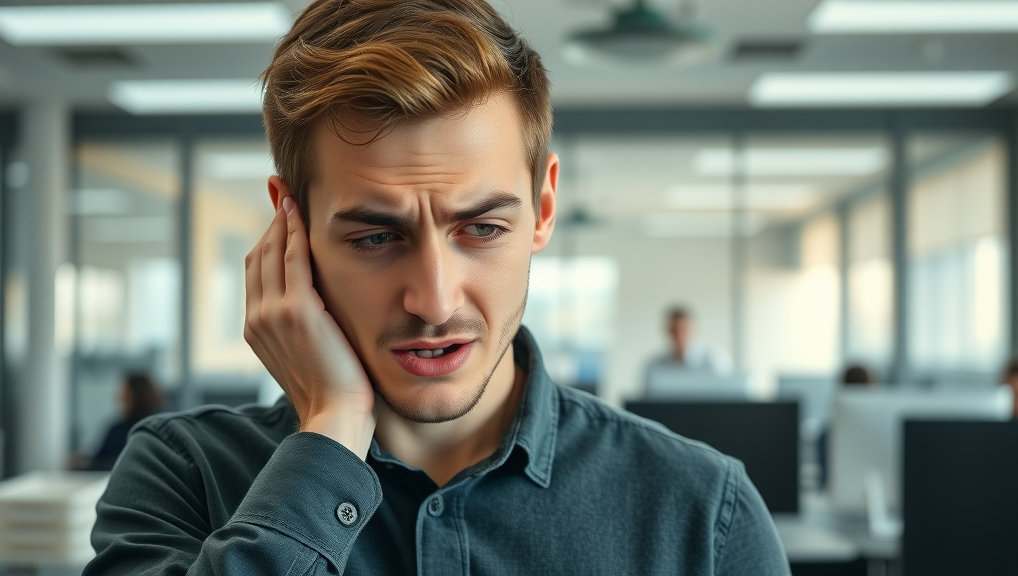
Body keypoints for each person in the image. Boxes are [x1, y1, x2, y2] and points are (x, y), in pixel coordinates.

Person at [86, 1, 788, 574]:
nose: (435, 301)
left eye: (481, 229)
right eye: (374, 237)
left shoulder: (702, 513)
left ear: (543, 210)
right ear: (290, 228)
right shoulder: (182, 475)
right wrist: (330, 430)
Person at [86, 372, 165, 471]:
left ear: (139, 396)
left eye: (126, 394)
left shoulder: (157, 428)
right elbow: (99, 459)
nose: (120, 398)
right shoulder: (116, 429)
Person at [643, 306, 731, 393]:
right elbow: (646, 398)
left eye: (684, 330)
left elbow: (726, 393)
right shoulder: (654, 364)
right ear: (667, 331)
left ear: (694, 329)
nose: (679, 336)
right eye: (674, 330)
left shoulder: (714, 359)